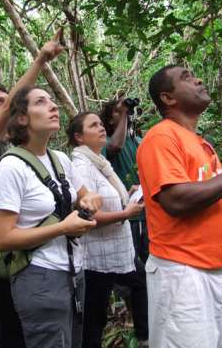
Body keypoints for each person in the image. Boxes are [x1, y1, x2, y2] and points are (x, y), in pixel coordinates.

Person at [137, 65, 222, 348]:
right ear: (168, 98)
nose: (199, 79)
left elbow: (218, 205)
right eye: (186, 77)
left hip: (216, 272)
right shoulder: (161, 137)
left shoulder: (202, 144)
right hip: (183, 273)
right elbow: (175, 201)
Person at [0, 32, 67, 348]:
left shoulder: (34, 153)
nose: (8, 104)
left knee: (24, 323)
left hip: (27, 246)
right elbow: (13, 105)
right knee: (6, 323)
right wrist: (40, 60)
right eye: (1, 103)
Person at [0, 70, 103, 347]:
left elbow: (86, 195)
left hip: (74, 271)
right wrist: (63, 228)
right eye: (40, 102)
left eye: (52, 101)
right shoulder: (11, 166)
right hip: (38, 275)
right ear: (22, 118)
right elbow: (3, 239)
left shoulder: (60, 158)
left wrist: (90, 201)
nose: (52, 106)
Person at [66, 112, 148, 348]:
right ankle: (145, 337)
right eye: (94, 125)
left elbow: (107, 198)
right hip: (96, 257)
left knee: (139, 285)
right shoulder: (81, 166)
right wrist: (125, 213)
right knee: (94, 317)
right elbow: (89, 214)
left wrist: (128, 195)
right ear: (79, 137)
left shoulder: (100, 163)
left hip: (118, 250)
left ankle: (145, 337)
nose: (102, 127)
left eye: (101, 124)